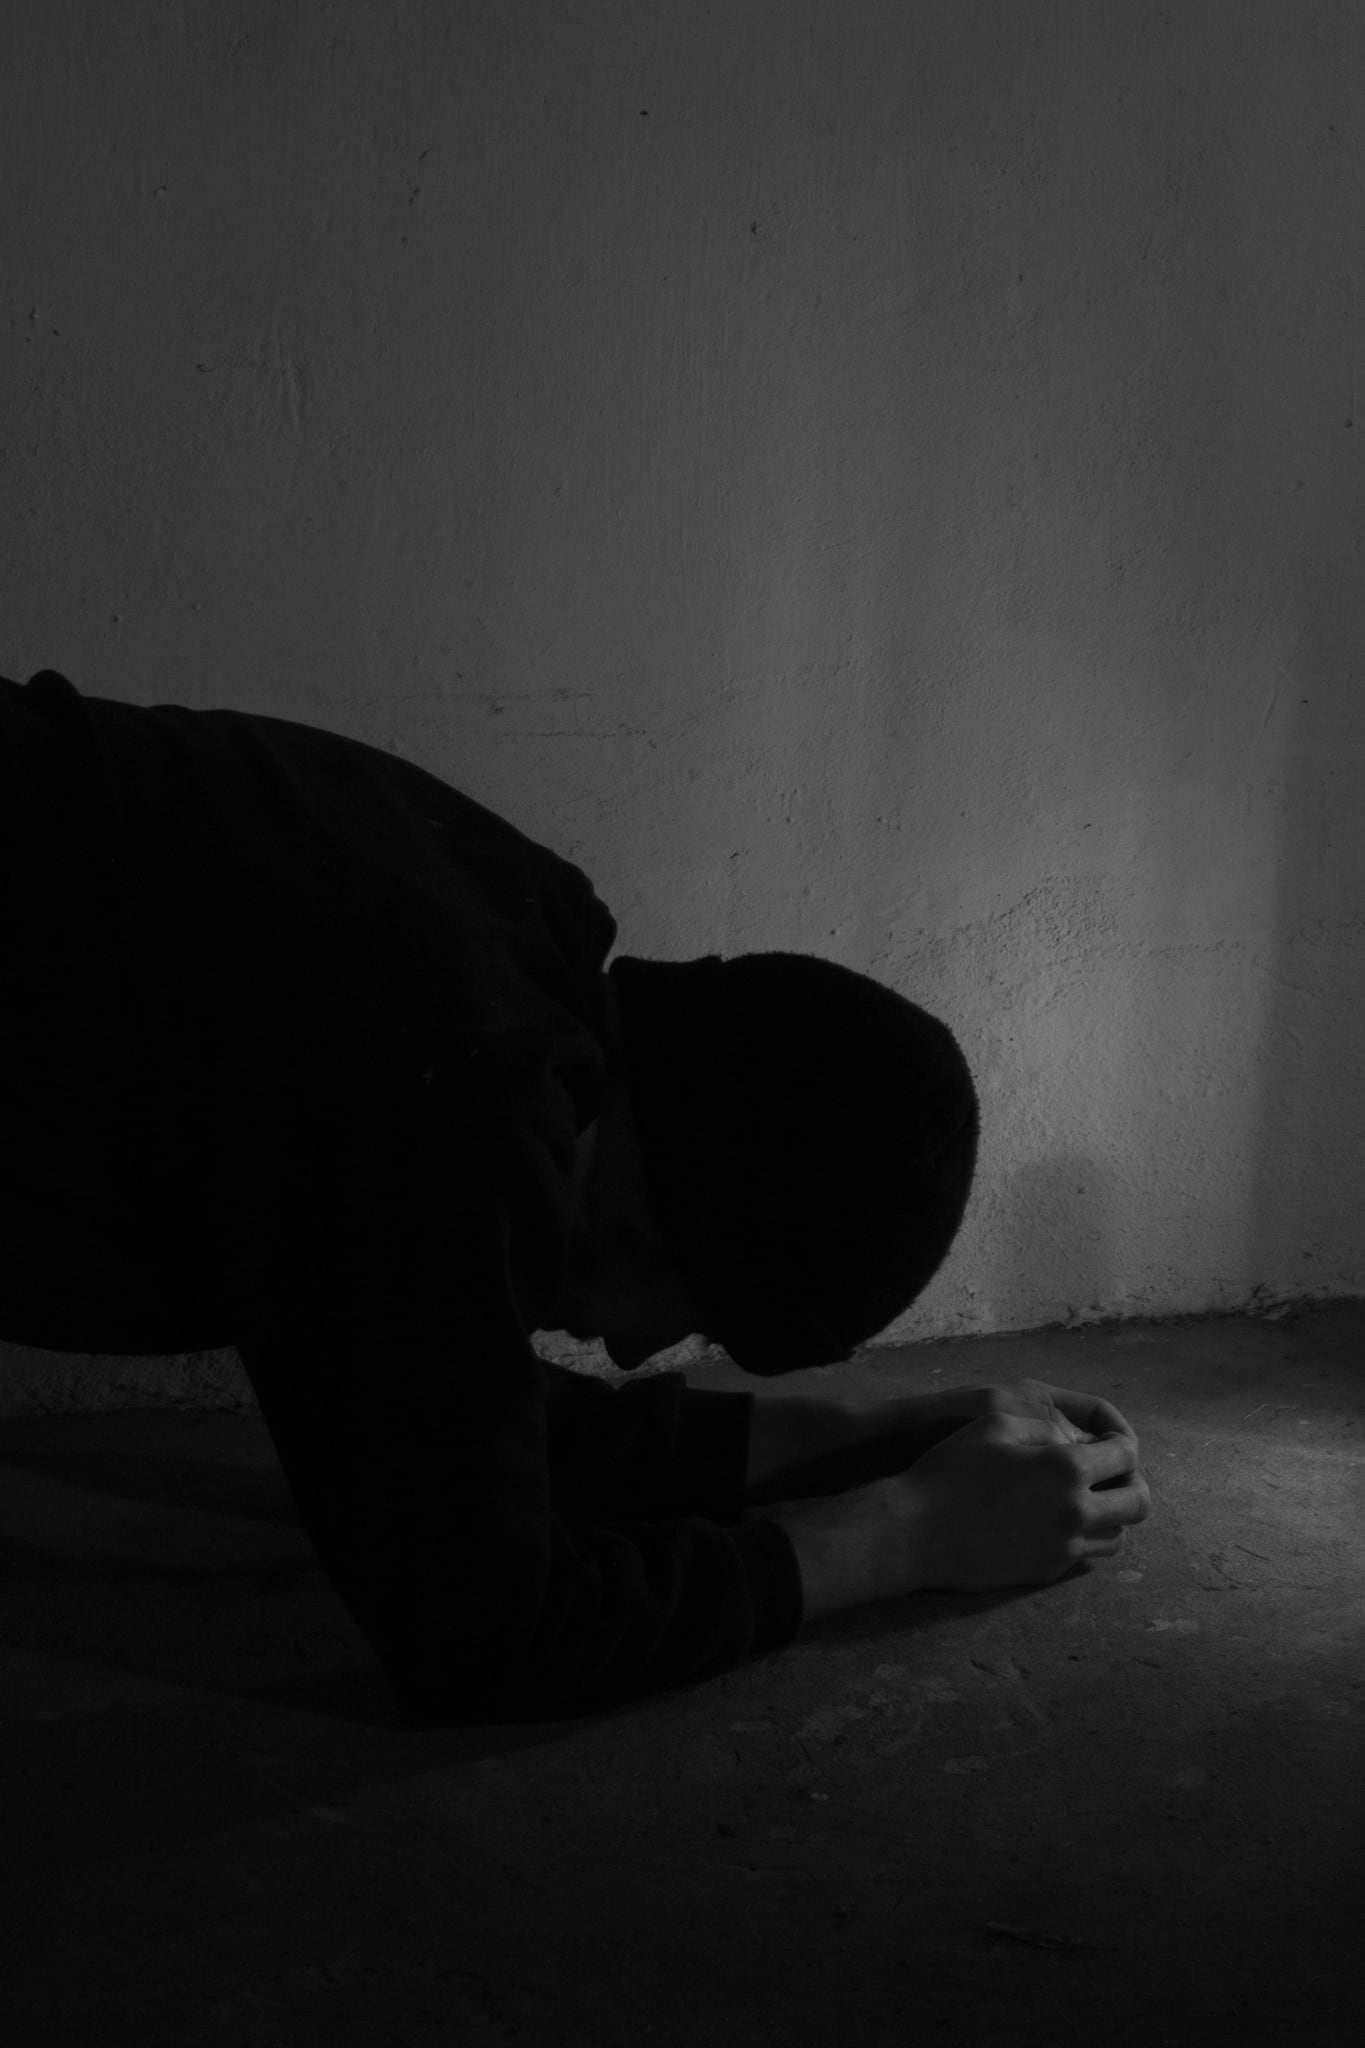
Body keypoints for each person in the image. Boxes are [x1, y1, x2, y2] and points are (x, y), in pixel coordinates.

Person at [0, 666, 1150, 1723]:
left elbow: (443, 1388)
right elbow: (492, 1632)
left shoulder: (504, 933)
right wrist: (908, 1531)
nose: (638, 1347)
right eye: (693, 1311)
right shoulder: (458, 1086)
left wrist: (872, 1435)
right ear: (678, 1215)